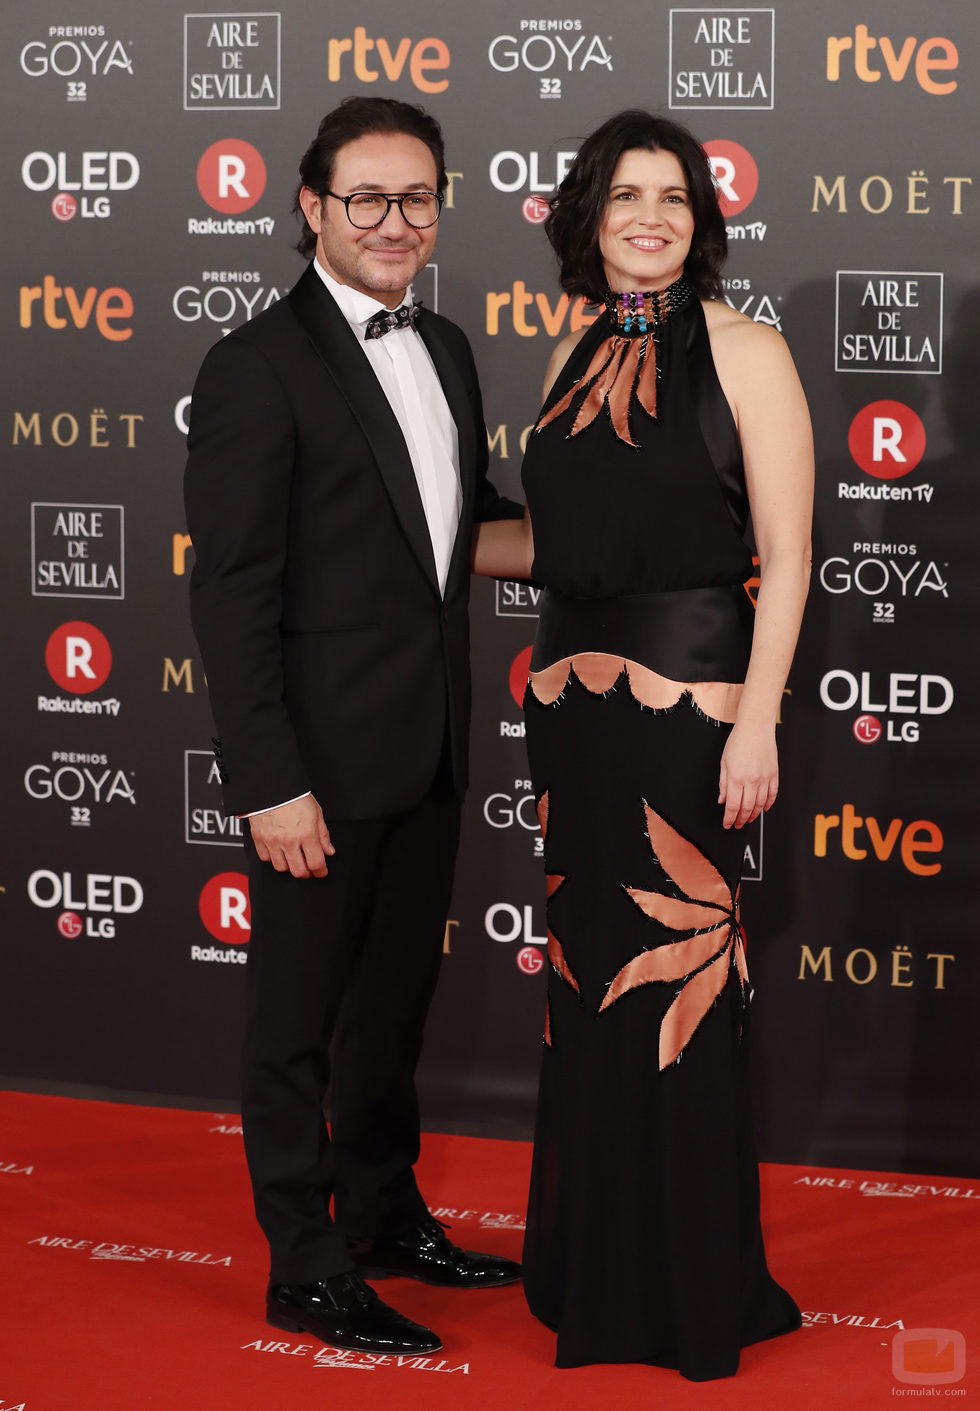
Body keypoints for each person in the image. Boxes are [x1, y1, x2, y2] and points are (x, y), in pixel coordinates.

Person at [474, 109, 812, 1380]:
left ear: (701, 221)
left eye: (672, 196)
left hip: (694, 712)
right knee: (585, 992)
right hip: (567, 716)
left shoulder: (745, 349)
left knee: (678, 985)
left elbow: (781, 562)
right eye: (625, 195)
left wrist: (758, 717)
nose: (649, 216)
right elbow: (552, 549)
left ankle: (684, 1290)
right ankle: (595, 1268)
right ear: (587, 215)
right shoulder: (567, 352)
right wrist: (389, 525)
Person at [184, 97, 522, 1358]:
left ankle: (382, 1215)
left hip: (428, 751)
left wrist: (642, 545)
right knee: (295, 1025)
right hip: (314, 771)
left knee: (392, 1009)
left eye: (418, 198)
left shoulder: (444, 347)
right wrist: (268, 780)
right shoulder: (255, 366)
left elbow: (466, 525)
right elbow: (230, 593)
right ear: (312, 210)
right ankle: (304, 1265)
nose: (396, 222)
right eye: (368, 199)